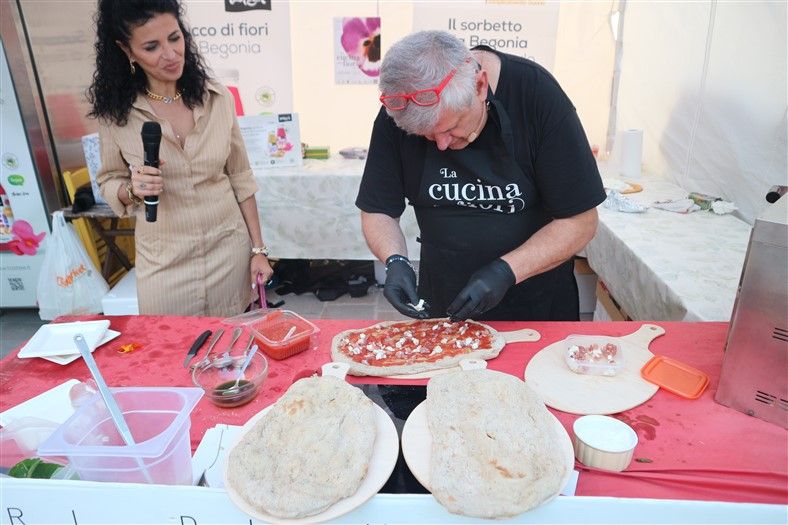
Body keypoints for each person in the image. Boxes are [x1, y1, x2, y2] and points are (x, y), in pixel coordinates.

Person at [357, 31, 607, 322]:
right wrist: (395, 260)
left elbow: (580, 221)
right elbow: (378, 209)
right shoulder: (400, 110)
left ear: (480, 86)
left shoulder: (536, 95)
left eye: (450, 128)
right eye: (427, 136)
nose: (441, 145)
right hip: (445, 307)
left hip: (537, 306)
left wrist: (506, 270)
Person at [88, 0, 273, 316]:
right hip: (164, 263)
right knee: (171, 344)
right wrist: (132, 189)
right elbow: (108, 180)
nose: (171, 54)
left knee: (231, 343)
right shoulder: (116, 115)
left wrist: (258, 250)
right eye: (152, 47)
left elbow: (241, 177)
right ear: (127, 50)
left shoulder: (217, 99)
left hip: (227, 253)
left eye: (175, 38)